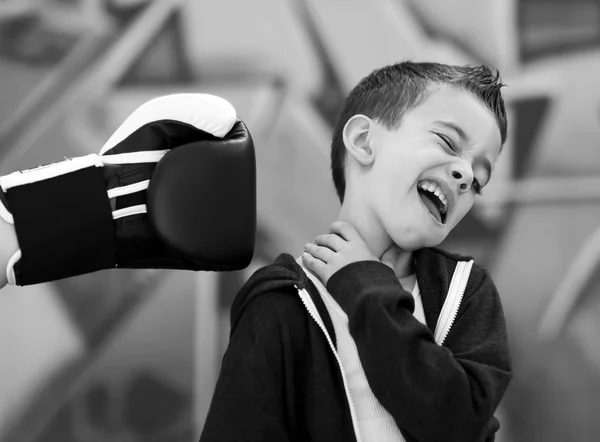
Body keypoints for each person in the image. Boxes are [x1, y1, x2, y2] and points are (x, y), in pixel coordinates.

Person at [199, 61, 512, 442]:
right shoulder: (281, 301)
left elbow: (461, 424)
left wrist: (366, 287)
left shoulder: (467, 293)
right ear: (364, 141)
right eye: (447, 142)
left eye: (479, 179)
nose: (465, 175)